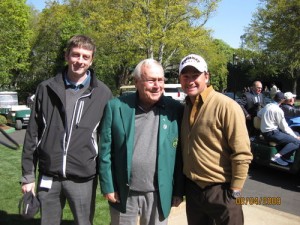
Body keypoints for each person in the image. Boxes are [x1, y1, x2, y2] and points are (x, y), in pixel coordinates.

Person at [21, 35, 113, 225]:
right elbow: (32, 134)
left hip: (83, 177)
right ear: (66, 56)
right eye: (75, 55)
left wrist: (108, 181)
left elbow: (106, 141)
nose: (80, 61)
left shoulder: (103, 93)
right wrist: (28, 176)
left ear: (91, 60)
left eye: (85, 57)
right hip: (49, 175)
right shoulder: (45, 88)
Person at [99, 59, 184, 225]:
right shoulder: (116, 107)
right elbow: (105, 152)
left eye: (160, 80)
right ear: (136, 82)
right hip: (124, 193)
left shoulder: (175, 109)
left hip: (159, 193)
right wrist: (108, 186)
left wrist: (178, 190)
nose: (157, 85)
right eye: (151, 80)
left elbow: (179, 154)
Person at [179, 54, 253, 225]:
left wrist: (235, 190)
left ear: (206, 76)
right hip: (193, 191)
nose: (190, 81)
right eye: (185, 76)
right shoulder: (185, 108)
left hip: (222, 190)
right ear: (180, 79)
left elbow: (242, 152)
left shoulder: (227, 106)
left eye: (195, 75)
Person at [257, 92, 300, 166]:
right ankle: (277, 157)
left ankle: (285, 157)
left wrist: (267, 120)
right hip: (272, 133)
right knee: (297, 142)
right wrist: (295, 137)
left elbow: (259, 114)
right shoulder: (278, 110)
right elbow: (284, 127)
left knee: (295, 134)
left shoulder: (267, 106)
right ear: (282, 100)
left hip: (265, 132)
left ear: (274, 98)